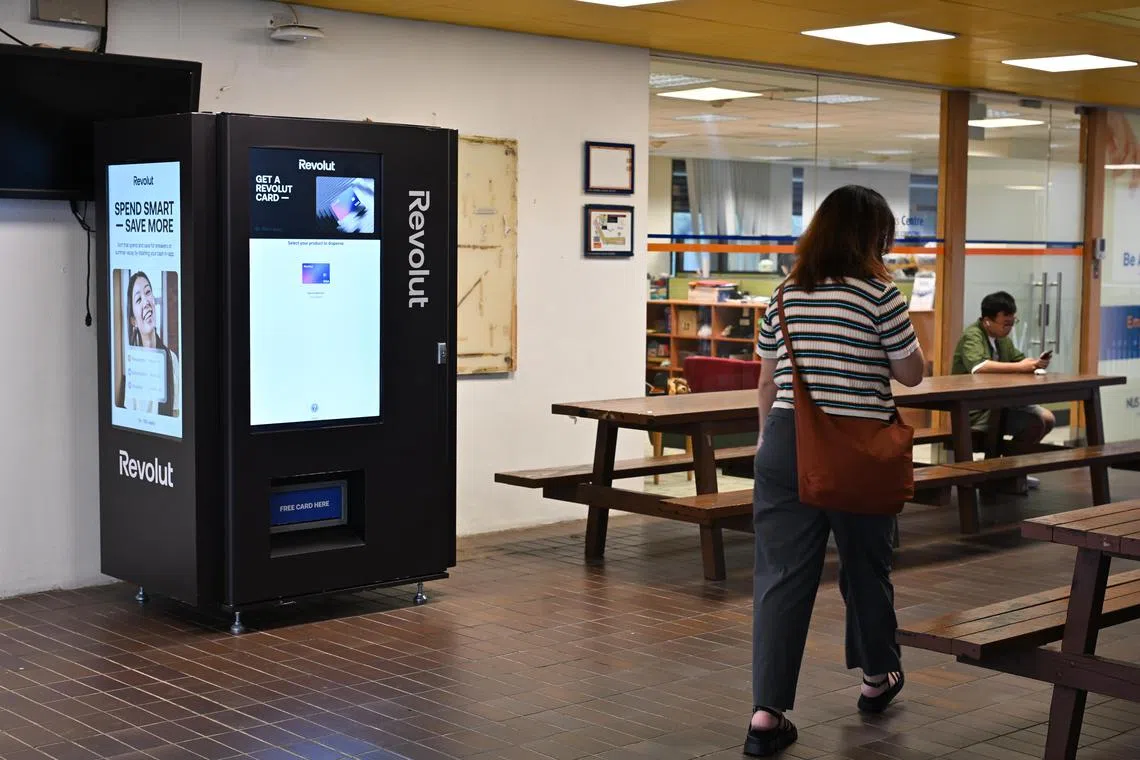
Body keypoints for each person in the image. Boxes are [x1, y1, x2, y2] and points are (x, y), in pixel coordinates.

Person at [746, 185, 925, 756]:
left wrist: (763, 442)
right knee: (866, 568)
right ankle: (876, 678)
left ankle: (766, 716)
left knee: (780, 578)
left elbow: (768, 381)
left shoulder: (783, 295)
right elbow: (911, 374)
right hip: (857, 454)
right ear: (875, 236)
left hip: (784, 446)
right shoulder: (881, 295)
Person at [951, 291, 1055, 449]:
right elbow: (979, 367)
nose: (1009, 328)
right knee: (1036, 423)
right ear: (987, 321)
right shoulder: (972, 336)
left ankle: (1010, 467)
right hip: (976, 410)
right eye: (1005, 324)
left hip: (1000, 403)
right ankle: (1008, 469)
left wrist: (1035, 364)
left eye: (1013, 323)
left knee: (1048, 419)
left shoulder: (1002, 339)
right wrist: (1020, 367)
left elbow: (1018, 360)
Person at [116, 271, 181, 418]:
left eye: (148, 292)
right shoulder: (132, 364)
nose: (146, 302)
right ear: (133, 320)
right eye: (139, 299)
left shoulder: (172, 359)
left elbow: (176, 414)